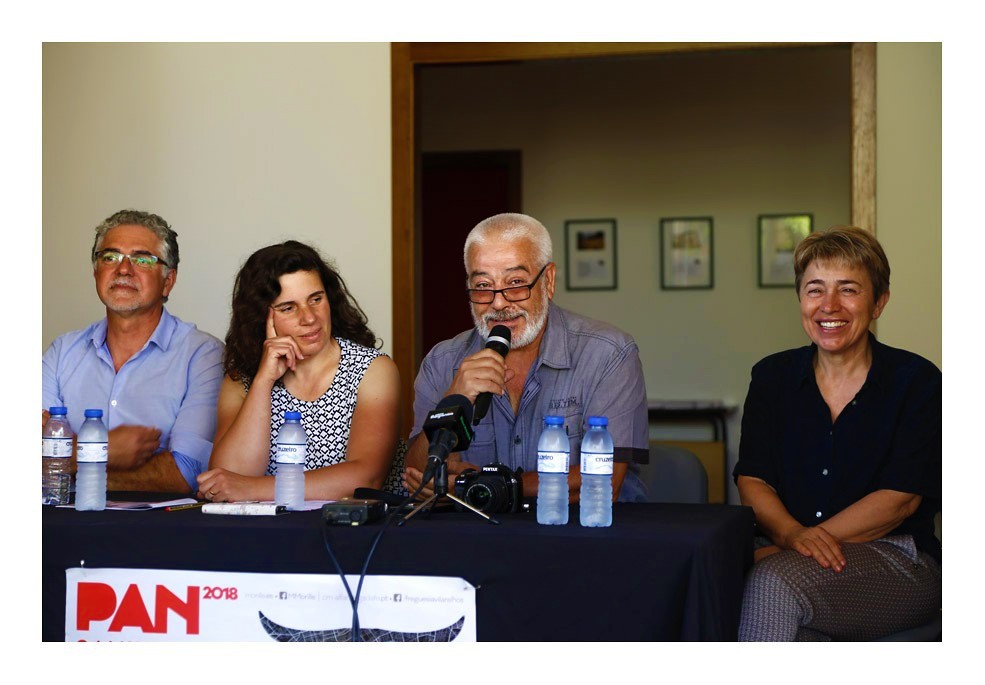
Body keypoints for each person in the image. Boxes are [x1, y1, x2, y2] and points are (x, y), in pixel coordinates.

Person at [733, 226, 941, 641]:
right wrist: (792, 534)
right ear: (800, 300)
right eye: (815, 290)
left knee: (772, 583)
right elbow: (754, 478)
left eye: (848, 289)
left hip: (896, 558)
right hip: (784, 551)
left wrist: (795, 546)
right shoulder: (772, 376)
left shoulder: (916, 380)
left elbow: (900, 501)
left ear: (878, 302)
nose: (829, 306)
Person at [404, 213, 648, 502]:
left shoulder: (608, 354)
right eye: (483, 285)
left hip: (585, 538)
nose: (498, 302)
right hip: (477, 541)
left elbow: (602, 481)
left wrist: (482, 486)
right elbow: (416, 478)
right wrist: (452, 399)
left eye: (516, 282)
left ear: (548, 281)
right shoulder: (442, 362)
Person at [200, 240, 400, 502]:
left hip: (359, 534)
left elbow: (366, 478)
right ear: (261, 317)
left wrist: (254, 488)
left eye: (316, 299)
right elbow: (227, 478)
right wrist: (264, 380)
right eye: (288, 307)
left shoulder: (373, 369)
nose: (309, 318)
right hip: (273, 534)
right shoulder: (243, 381)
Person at [42, 209, 224, 493]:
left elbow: (186, 473)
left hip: (152, 533)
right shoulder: (62, 352)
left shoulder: (203, 355)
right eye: (110, 257)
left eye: (142, 259)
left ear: (168, 280)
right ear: (95, 272)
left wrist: (72, 458)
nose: (124, 270)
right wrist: (106, 449)